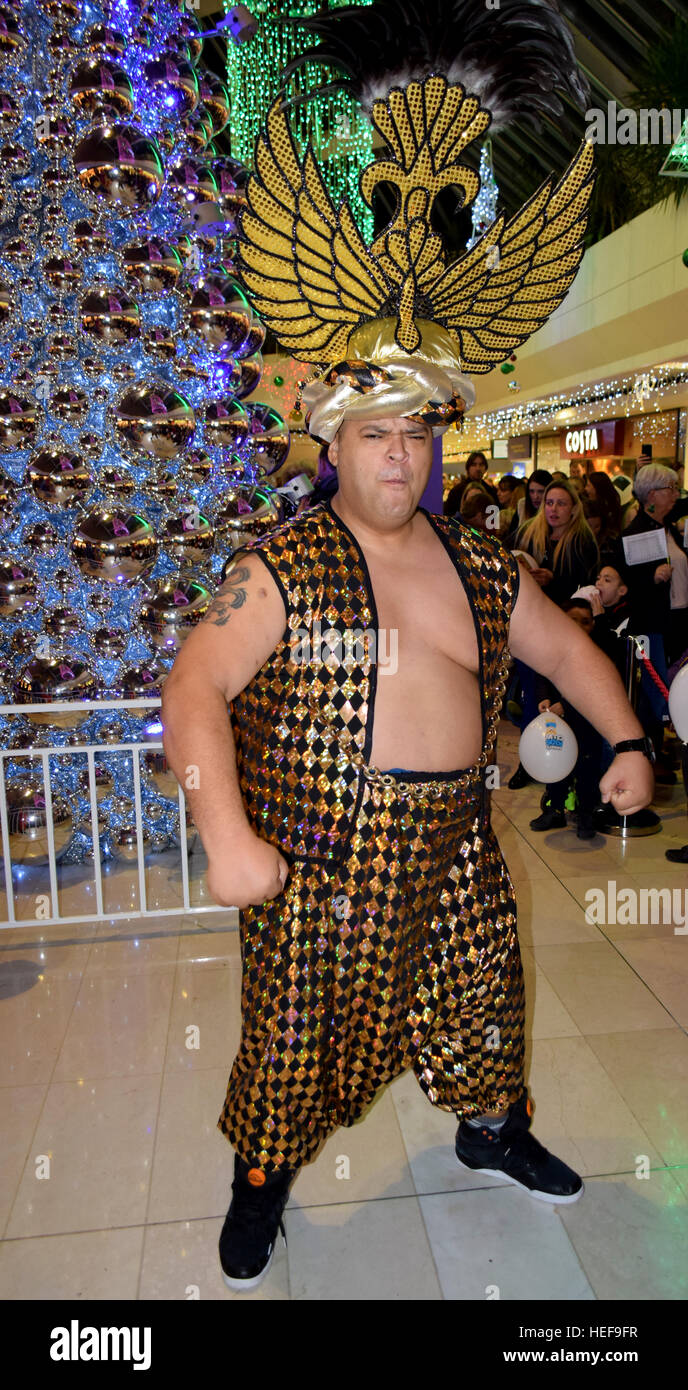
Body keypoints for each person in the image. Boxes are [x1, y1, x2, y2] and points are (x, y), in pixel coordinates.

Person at [160, 28, 654, 1293]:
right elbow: (193, 688)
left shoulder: (484, 564)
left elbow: (569, 646)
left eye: (418, 433)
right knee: (292, 1041)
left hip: (455, 836)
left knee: (484, 988)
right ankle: (259, 1189)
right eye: (377, 433)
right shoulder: (276, 565)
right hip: (321, 851)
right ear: (339, 443)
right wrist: (226, 834)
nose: (401, 456)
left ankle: (493, 1129)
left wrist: (631, 742)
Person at [529, 599, 605, 840]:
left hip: (586, 722)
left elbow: (594, 687)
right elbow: (542, 676)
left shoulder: (595, 652)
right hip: (557, 721)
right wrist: (544, 699)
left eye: (586, 622)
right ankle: (555, 808)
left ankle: (585, 813)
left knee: (586, 769)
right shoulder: (552, 647)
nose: (580, 627)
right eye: (573, 620)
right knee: (556, 763)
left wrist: (566, 705)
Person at [508, 468, 552, 542]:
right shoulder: (522, 505)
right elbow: (512, 536)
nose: (535, 496)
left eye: (540, 491)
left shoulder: (553, 509)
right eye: (532, 491)